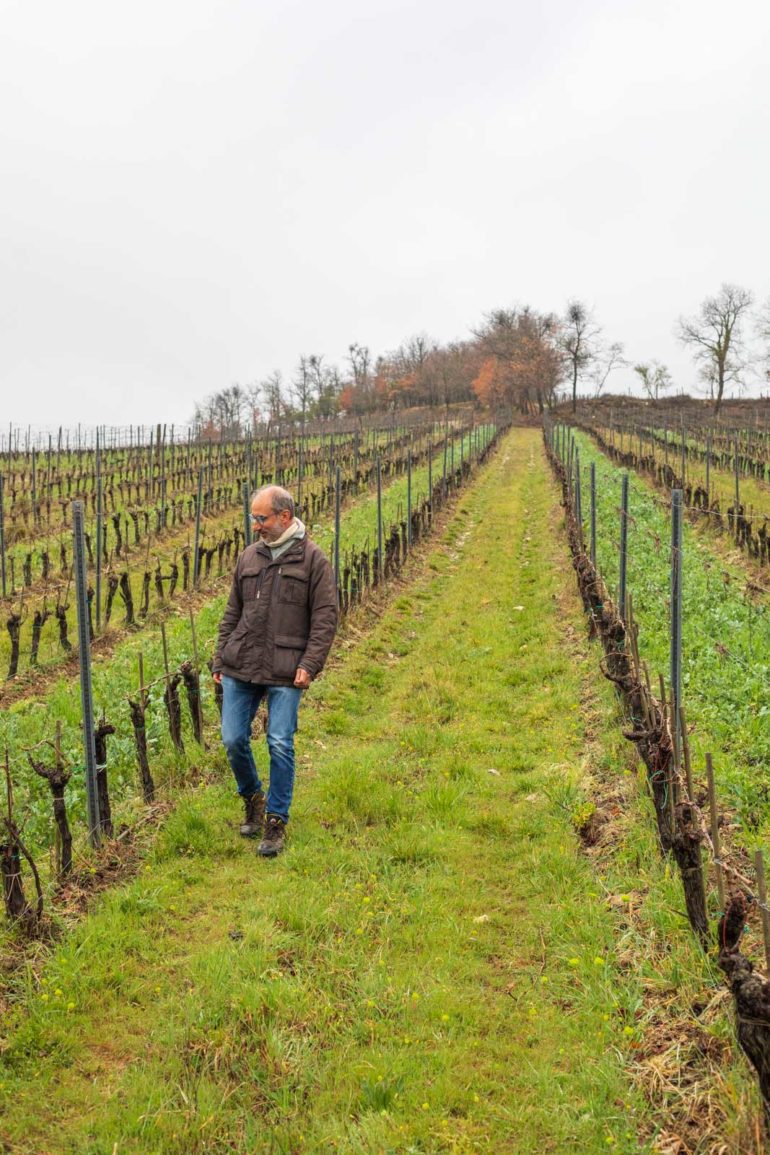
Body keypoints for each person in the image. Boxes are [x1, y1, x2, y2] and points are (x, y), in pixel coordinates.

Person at [212, 485, 338, 856]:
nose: (255, 526)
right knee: (233, 739)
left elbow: (326, 617)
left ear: (285, 517)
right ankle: (253, 797)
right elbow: (231, 612)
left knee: (279, 742)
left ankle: (275, 821)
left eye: (261, 518)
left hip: (287, 667)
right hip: (243, 662)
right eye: (253, 518)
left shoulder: (314, 560)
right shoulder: (248, 558)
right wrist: (221, 657)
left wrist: (310, 664)